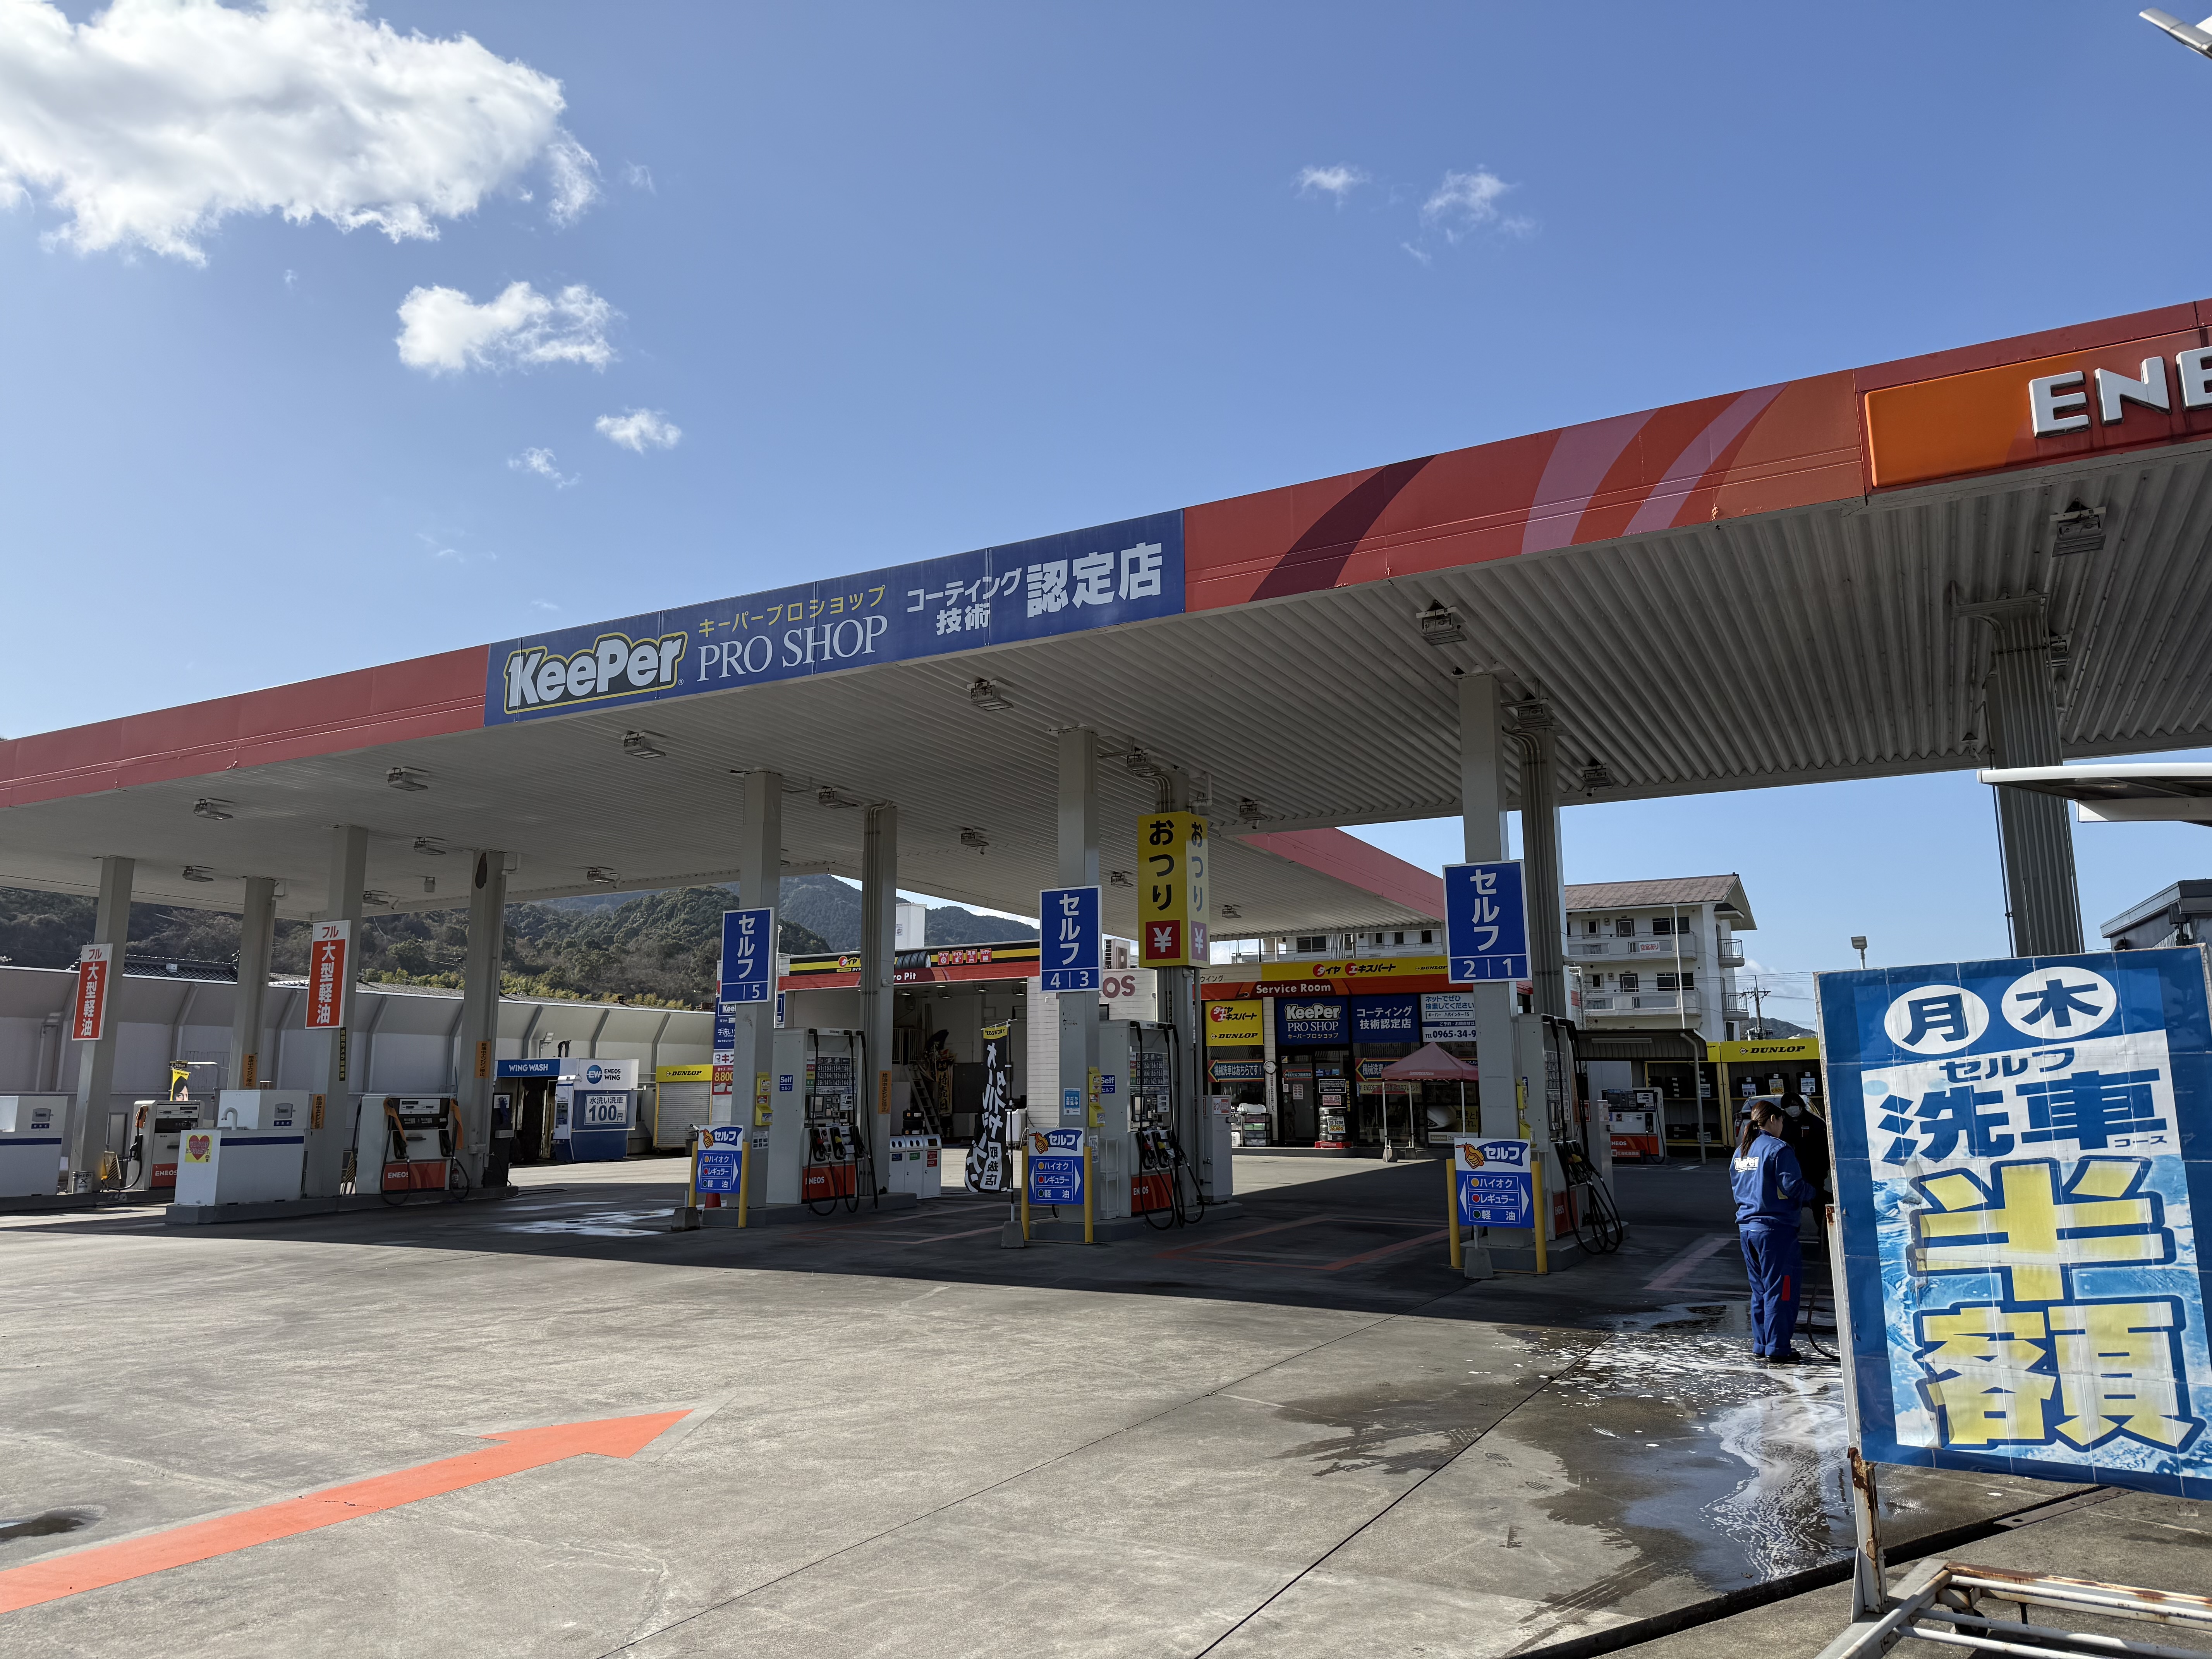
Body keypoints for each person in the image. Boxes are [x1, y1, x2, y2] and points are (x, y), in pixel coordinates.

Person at [1732, 1099, 1818, 1364]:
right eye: (1782, 1120)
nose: (1783, 1126)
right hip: (1775, 1231)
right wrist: (1818, 1194)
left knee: (1761, 1291)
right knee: (1782, 1290)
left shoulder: (1741, 1152)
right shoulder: (1778, 1149)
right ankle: (1779, 1348)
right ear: (1773, 1119)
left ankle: (1762, 1344)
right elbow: (1792, 1185)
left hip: (1747, 1229)